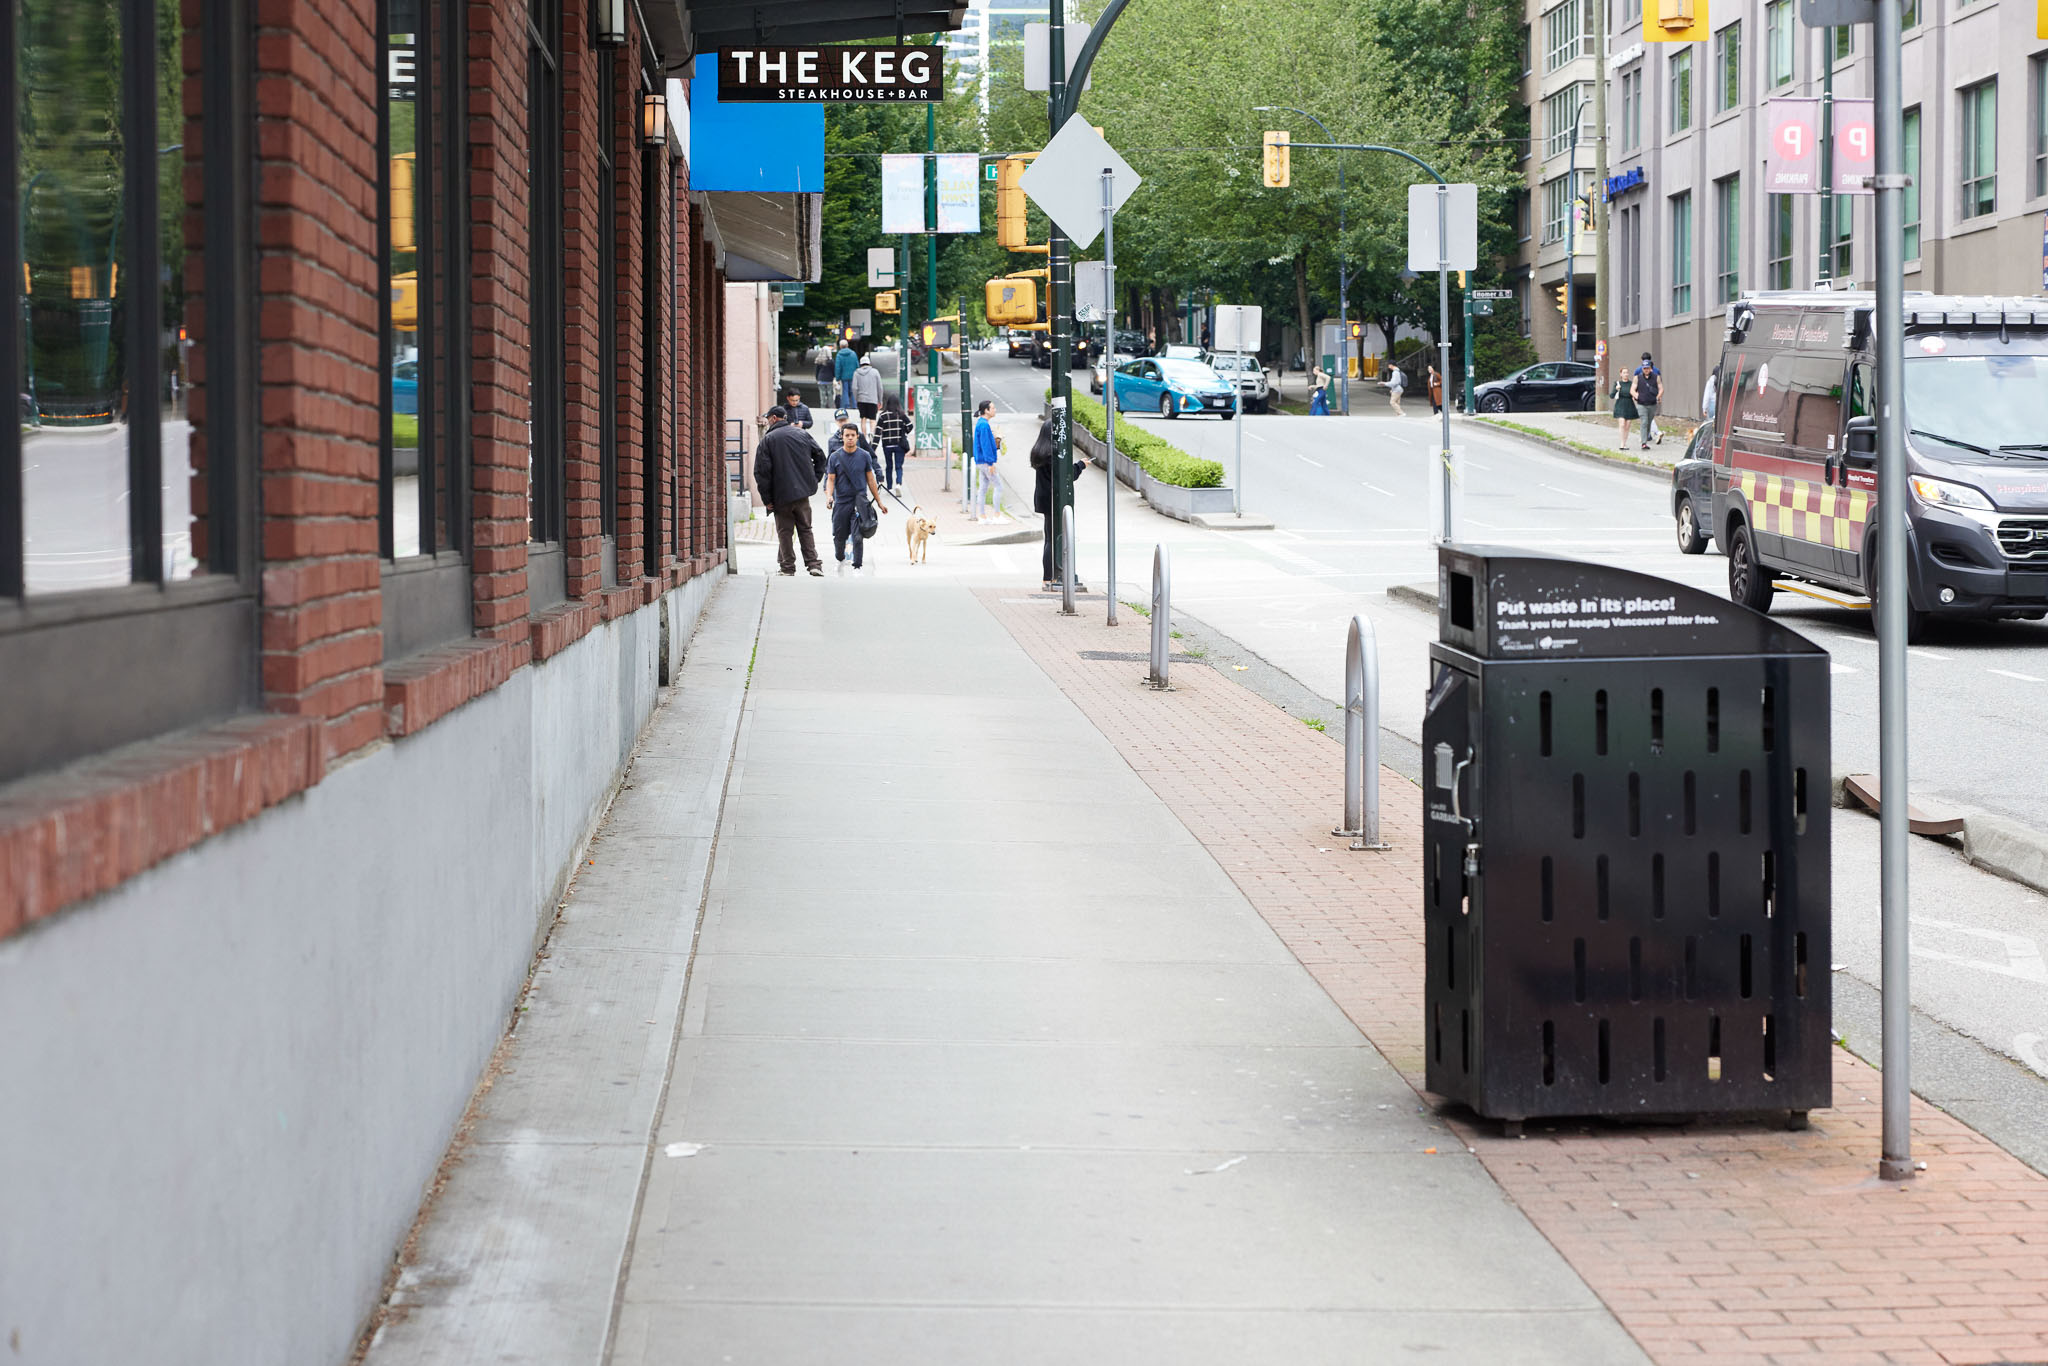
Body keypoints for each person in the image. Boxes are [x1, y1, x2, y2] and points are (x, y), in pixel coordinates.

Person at [752, 405, 827, 577]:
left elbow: (762, 472)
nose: (767, 422)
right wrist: (813, 480)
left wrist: (767, 499)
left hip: (781, 495)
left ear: (774, 418)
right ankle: (814, 564)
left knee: (785, 532)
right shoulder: (802, 434)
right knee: (805, 529)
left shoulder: (768, 440)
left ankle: (787, 567)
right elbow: (820, 457)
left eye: (768, 419)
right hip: (802, 494)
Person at [1030, 416, 1089, 592]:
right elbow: (1066, 475)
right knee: (1054, 538)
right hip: (1054, 499)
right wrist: (1080, 465)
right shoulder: (1052, 454)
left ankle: (1047, 577)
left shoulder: (1039, 451)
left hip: (1043, 498)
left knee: (1049, 538)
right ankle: (1051, 576)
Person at [826, 423, 888, 574]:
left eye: (853, 435)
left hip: (860, 502)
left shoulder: (864, 456)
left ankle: (857, 566)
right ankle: (840, 558)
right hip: (841, 502)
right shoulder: (835, 457)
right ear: (842, 437)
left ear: (857, 437)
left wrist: (879, 502)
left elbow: (871, 480)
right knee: (839, 537)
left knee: (858, 537)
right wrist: (829, 496)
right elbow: (831, 479)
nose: (850, 438)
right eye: (847, 435)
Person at [972, 400, 1003, 523]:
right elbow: (985, 445)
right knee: (998, 486)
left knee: (983, 488)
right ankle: (996, 515)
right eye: (993, 408)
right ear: (986, 410)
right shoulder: (984, 425)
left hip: (981, 460)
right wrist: (990, 463)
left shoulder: (981, 423)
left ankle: (983, 516)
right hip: (985, 462)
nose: (995, 410)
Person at [875, 393, 911, 492]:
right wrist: (904, 431)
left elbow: (877, 433)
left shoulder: (883, 416)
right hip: (899, 444)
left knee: (889, 466)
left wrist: (873, 448)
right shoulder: (901, 414)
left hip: (887, 445)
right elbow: (910, 425)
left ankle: (889, 487)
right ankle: (898, 484)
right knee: (898, 466)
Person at [1632, 352, 1663, 449]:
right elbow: (1633, 388)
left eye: (1648, 368)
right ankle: (1644, 443)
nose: (1646, 370)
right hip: (1641, 402)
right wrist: (1636, 395)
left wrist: (1658, 396)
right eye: (1644, 368)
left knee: (1649, 422)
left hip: (1652, 402)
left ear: (1651, 368)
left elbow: (1660, 387)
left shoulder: (1656, 375)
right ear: (1642, 368)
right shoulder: (1638, 375)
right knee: (1644, 421)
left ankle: (1647, 435)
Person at [851, 354, 882, 436]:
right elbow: (880, 387)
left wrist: (856, 398)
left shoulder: (856, 373)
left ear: (860, 364)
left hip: (861, 399)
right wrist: (880, 400)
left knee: (863, 419)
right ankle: (871, 434)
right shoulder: (875, 372)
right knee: (872, 419)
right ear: (869, 363)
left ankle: (864, 437)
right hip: (872, 399)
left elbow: (854, 387)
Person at [1610, 370, 1639, 449]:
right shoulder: (1617, 383)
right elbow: (1611, 396)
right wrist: (1616, 389)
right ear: (1621, 374)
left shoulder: (1631, 384)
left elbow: (1635, 395)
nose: (1626, 374)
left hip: (1629, 405)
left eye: (1627, 373)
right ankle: (1622, 444)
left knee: (1627, 425)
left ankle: (1625, 443)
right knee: (1622, 424)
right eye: (1624, 373)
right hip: (1620, 405)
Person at [833, 338, 858, 408]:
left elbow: (838, 368)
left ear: (840, 346)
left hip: (843, 377)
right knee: (852, 391)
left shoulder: (839, 355)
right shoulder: (853, 353)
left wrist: (838, 378)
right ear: (847, 345)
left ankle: (846, 405)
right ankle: (854, 405)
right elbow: (857, 365)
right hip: (853, 376)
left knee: (845, 391)